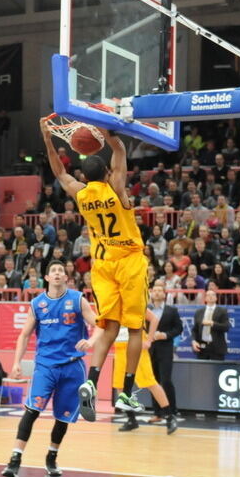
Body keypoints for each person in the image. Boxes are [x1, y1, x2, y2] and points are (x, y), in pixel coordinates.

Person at [42, 116, 146, 421]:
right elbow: (121, 153)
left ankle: (91, 380)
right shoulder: (116, 189)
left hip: (102, 265)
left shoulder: (82, 194)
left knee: (108, 327)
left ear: (86, 177)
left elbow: (59, 171)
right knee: (135, 327)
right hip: (128, 260)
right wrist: (108, 132)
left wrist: (48, 139)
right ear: (106, 173)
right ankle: (126, 393)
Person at [1, 261, 100, 477]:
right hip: (46, 365)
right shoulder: (37, 304)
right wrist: (16, 362)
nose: (57, 273)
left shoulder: (77, 299)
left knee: (62, 418)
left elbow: (99, 323)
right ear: (46, 278)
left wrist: (91, 341)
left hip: (73, 366)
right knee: (32, 410)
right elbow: (24, 335)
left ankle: (51, 457)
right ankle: (14, 459)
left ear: (66, 278)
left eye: (61, 270)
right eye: (53, 270)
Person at [112, 308, 178, 434]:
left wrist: (149, 339)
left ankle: (170, 417)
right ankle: (131, 420)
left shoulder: (136, 302)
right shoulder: (111, 305)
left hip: (137, 349)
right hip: (120, 350)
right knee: (120, 387)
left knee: (150, 383)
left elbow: (154, 319)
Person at [147, 281, 184, 422]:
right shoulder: (147, 309)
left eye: (159, 290)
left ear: (164, 294)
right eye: (154, 290)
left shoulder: (171, 310)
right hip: (150, 349)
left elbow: (179, 328)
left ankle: (172, 411)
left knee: (166, 381)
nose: (156, 292)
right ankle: (157, 413)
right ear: (151, 293)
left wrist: (166, 335)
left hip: (165, 349)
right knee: (153, 381)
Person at [191, 289, 230, 361]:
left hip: (217, 347)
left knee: (216, 370)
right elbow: (194, 329)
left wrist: (212, 323)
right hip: (202, 347)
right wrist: (194, 341)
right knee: (201, 370)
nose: (210, 297)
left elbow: (226, 327)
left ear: (216, 298)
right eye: (208, 295)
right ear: (205, 298)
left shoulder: (222, 311)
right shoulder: (199, 312)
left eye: (213, 295)